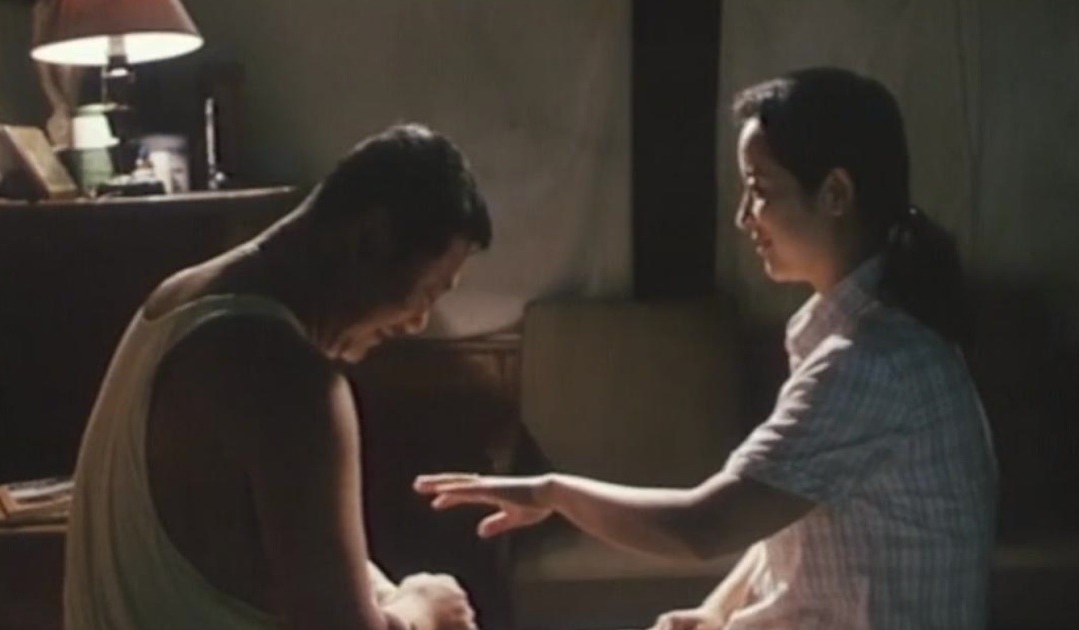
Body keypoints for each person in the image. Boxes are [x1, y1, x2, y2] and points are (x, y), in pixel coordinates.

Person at [416, 68, 997, 629]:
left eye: (760, 191)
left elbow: (703, 526)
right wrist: (717, 610)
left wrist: (555, 492)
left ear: (835, 193)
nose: (744, 217)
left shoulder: (871, 363)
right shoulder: (853, 337)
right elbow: (786, 507)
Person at [64, 124, 493, 630]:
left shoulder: (177, 300)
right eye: (428, 292)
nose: (418, 322)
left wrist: (381, 597)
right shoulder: (289, 378)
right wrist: (426, 608)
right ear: (371, 237)